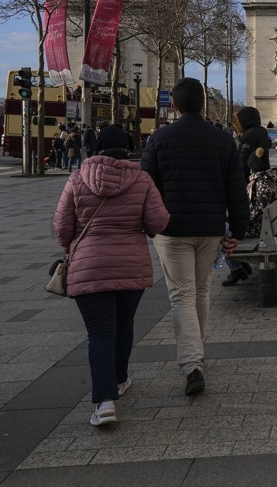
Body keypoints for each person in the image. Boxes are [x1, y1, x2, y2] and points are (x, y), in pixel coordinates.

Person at [52, 125, 170, 426]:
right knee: (124, 324)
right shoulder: (141, 179)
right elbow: (158, 222)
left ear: (96, 148)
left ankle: (105, 403)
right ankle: (119, 379)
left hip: (88, 266)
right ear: (127, 147)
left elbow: (62, 227)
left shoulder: (77, 178)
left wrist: (77, 248)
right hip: (131, 264)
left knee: (100, 333)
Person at [140, 78, 249, 397]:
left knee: (182, 296)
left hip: (172, 230)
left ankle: (191, 365)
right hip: (211, 228)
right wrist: (237, 232)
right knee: (200, 292)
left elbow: (146, 188)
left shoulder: (159, 138)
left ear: (174, 104)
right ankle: (196, 356)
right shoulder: (222, 139)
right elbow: (237, 191)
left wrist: (148, 227)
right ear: (203, 103)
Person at [222, 106, 272, 286]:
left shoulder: (249, 135)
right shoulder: (262, 131)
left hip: (248, 186)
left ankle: (236, 267)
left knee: (220, 229)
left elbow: (242, 162)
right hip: (259, 186)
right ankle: (240, 266)